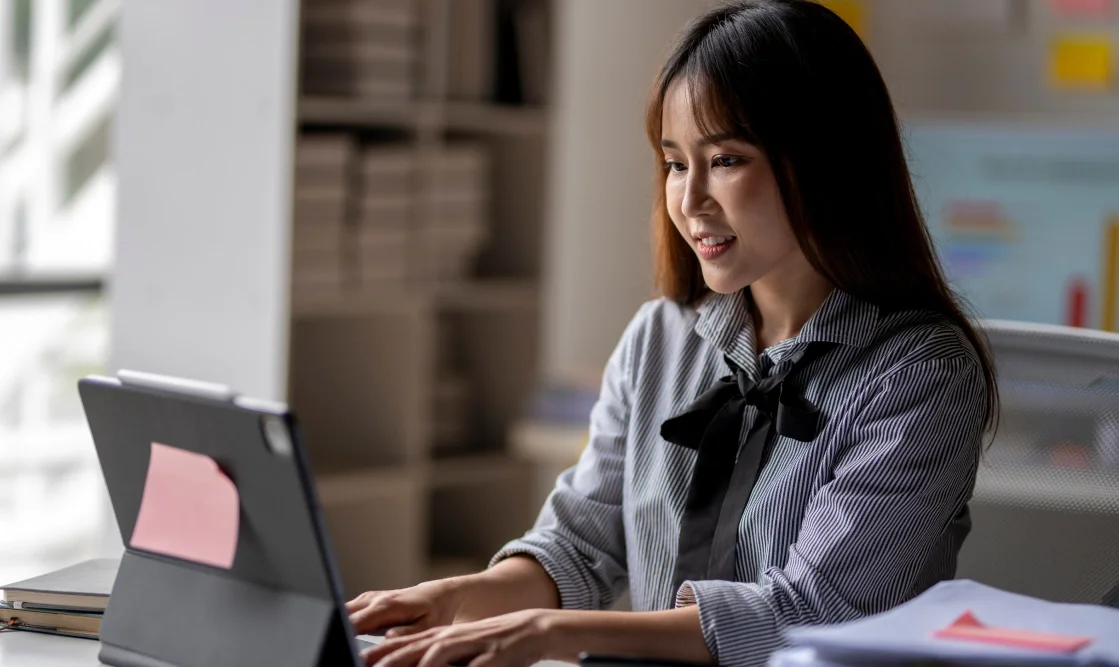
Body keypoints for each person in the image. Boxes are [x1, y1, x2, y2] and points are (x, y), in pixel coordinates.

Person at [348, 1, 997, 665]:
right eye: (674, 164)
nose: (689, 202)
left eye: (725, 159)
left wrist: (556, 632)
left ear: (821, 162)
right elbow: (581, 546)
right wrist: (460, 598)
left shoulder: (921, 375)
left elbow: (810, 614)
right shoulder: (661, 336)